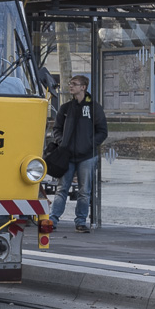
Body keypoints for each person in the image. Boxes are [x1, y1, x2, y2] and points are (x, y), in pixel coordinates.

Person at [49, 75, 108, 232]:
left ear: (84, 87)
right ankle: (52, 220)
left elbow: (102, 132)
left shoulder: (94, 108)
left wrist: (88, 144)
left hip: (87, 156)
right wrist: (62, 142)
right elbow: (56, 129)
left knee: (84, 191)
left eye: (74, 84)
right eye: (70, 84)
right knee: (62, 188)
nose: (71, 86)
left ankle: (80, 222)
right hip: (67, 156)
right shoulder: (66, 108)